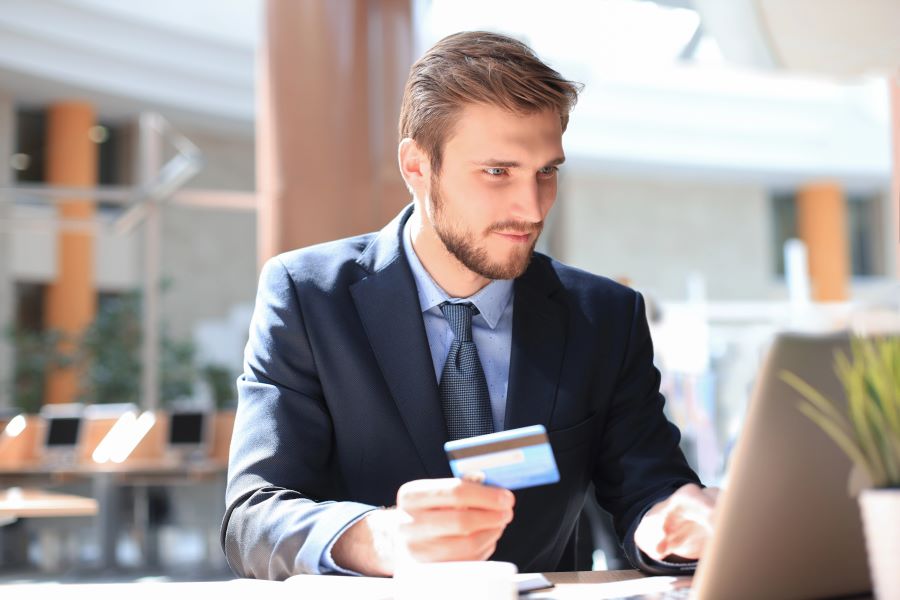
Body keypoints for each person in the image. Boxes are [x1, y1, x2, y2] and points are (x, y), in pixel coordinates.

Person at [222, 30, 717, 580]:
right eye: (498, 172)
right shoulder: (308, 295)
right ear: (417, 167)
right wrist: (380, 538)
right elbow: (252, 518)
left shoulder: (604, 316)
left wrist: (670, 523)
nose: (531, 209)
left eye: (546, 172)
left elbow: (650, 489)